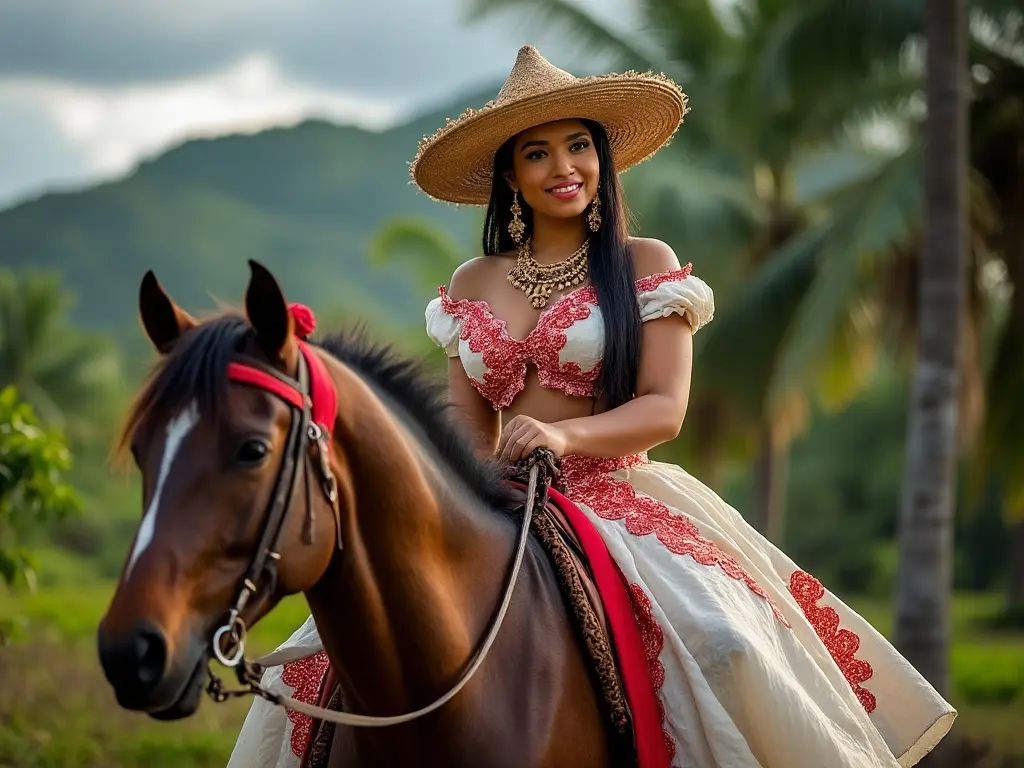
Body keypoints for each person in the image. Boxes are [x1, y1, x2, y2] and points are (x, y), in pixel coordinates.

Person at [229, 46, 955, 768]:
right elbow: (465, 429)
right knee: (330, 652)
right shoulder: (471, 280)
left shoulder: (647, 263)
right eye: (537, 154)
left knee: (723, 643)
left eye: (578, 145)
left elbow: (665, 409)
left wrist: (565, 435)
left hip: (616, 501)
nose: (562, 167)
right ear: (510, 177)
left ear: (604, 159)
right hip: (497, 501)